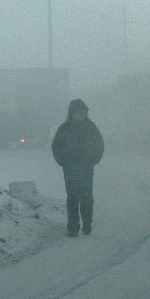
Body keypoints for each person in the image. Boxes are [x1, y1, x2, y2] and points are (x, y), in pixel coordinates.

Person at [51, 98, 104, 237]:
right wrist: (63, 161)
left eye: (82, 112)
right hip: (69, 169)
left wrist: (94, 160)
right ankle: (73, 228)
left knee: (86, 197)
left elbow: (99, 144)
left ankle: (87, 224)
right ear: (71, 113)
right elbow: (56, 146)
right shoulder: (64, 128)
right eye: (77, 112)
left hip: (87, 168)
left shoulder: (91, 127)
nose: (80, 114)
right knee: (72, 197)